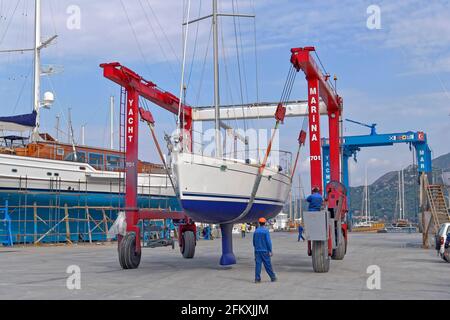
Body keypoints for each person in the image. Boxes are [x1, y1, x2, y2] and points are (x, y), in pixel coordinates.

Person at [253, 217, 277, 283]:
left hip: (257, 251)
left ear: (259, 223)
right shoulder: (266, 231)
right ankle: (272, 277)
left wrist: (256, 249)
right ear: (265, 223)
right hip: (265, 251)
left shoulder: (256, 231)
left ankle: (257, 279)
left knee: (258, 265)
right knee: (268, 265)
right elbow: (268, 242)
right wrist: (270, 250)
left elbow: (254, 242)